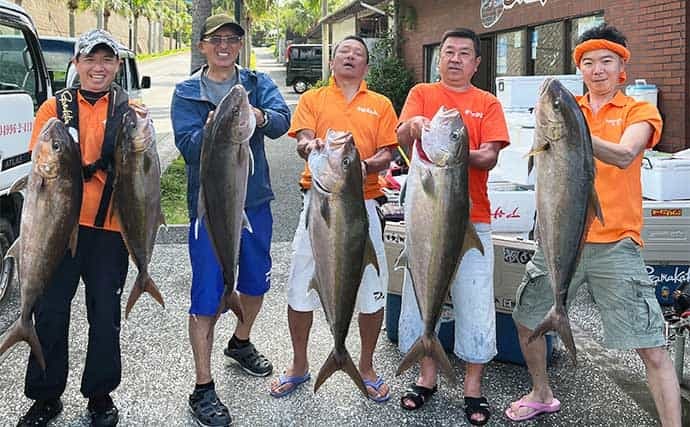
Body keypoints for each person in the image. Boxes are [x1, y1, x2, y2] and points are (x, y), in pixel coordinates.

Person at [505, 23, 681, 426]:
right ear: (580, 70)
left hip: (615, 243)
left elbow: (624, 155)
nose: (597, 69)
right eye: (588, 62)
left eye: (606, 61)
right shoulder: (570, 110)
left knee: (651, 346)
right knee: (527, 317)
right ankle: (541, 392)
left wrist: (568, 132)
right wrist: (561, 128)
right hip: (555, 240)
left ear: (622, 67)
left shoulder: (638, 110)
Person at [170, 13, 290, 427]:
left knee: (256, 283)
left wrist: (259, 118)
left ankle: (240, 342)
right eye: (215, 39)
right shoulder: (188, 91)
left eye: (232, 39)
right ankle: (202, 387)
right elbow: (187, 148)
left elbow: (282, 120)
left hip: (254, 203)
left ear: (240, 45)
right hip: (209, 208)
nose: (224, 45)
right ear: (202, 45)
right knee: (206, 295)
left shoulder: (255, 85)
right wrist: (211, 131)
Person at [268, 35, 397, 402]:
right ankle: (298, 364)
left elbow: (388, 153)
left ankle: (366, 365)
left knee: (372, 286)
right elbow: (302, 140)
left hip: (364, 206)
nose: (350, 57)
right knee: (300, 285)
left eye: (358, 54)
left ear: (367, 66)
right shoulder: (313, 99)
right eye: (343, 52)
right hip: (318, 205)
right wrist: (310, 146)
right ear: (332, 63)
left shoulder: (381, 104)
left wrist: (362, 166)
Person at [18, 29, 134, 427]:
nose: (97, 67)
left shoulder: (128, 109)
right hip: (56, 227)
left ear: (116, 65)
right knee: (49, 312)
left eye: (106, 60)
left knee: (105, 315)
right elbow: (42, 168)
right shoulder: (53, 109)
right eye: (90, 59)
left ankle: (100, 395)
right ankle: (45, 396)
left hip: (109, 228)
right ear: (76, 64)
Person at [396, 28, 509, 425]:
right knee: (421, 298)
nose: (456, 59)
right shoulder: (422, 94)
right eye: (449, 52)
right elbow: (401, 132)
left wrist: (453, 152)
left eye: (465, 53)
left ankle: (473, 390)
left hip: (473, 221)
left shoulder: (487, 102)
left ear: (477, 63)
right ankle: (426, 378)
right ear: (438, 58)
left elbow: (490, 155)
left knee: (476, 305)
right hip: (425, 225)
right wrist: (415, 129)